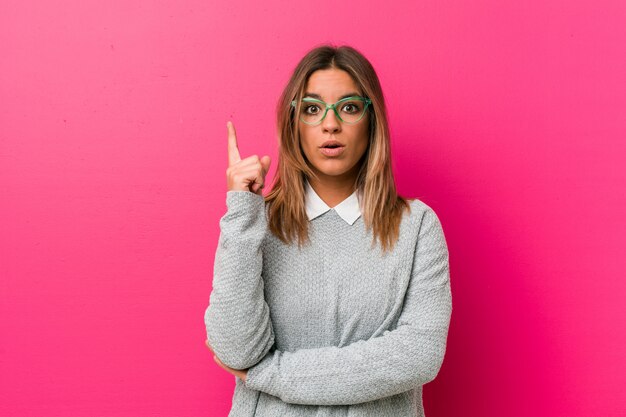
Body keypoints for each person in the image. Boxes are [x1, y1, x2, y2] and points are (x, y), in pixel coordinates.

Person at [203, 44, 452, 417]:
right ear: (294, 124)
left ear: (372, 121)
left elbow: (418, 355)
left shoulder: (416, 226)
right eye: (312, 109)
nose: (330, 123)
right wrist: (241, 212)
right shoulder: (257, 224)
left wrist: (270, 373)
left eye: (349, 107)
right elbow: (235, 350)